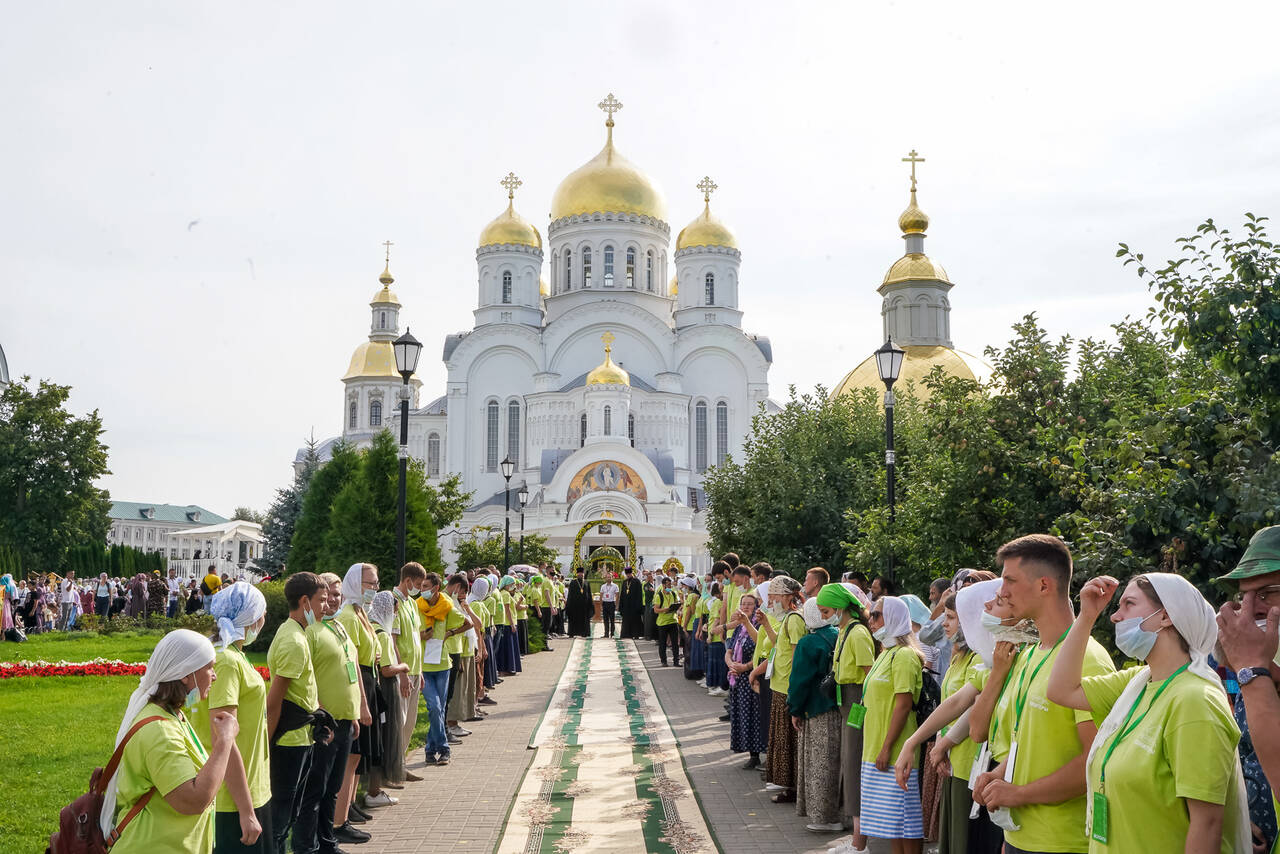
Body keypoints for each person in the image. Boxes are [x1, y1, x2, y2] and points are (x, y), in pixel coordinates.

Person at [1047, 571, 1247, 854]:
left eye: (1128, 604)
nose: (1115, 617)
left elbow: (1208, 825)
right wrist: (1086, 617)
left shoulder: (1195, 701)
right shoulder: (1139, 683)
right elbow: (1060, 690)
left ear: (1166, 617)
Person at [972, 534, 1116, 854]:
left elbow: (1096, 762)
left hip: (1062, 843)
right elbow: (1034, 744)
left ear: (1044, 586)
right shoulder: (1031, 654)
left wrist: (1019, 793)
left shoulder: (1086, 659)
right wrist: (997, 775)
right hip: (1019, 837)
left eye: (1010, 580)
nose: (1002, 591)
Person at [101, 629, 238, 854]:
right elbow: (193, 800)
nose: (214, 675)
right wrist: (224, 741)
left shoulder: (171, 716)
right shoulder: (160, 730)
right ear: (185, 674)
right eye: (209, 667)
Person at [1213, 525, 1280, 852]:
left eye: (1268, 591)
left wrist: (1253, 670)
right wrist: (1235, 818)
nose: (1251, 607)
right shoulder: (1252, 674)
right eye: (1243, 595)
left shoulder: (1253, 673)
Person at [192, 582, 271, 854]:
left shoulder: (235, 655)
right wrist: (246, 810)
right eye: (261, 613)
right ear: (248, 618)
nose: (264, 619)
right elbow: (222, 736)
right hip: (233, 799)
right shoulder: (226, 660)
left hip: (251, 789)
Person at [298, 571, 368, 851]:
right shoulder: (311, 631)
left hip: (345, 720)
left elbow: (352, 669)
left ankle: (327, 841)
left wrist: (356, 710)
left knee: (332, 788)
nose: (334, 600)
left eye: (338, 594)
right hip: (325, 723)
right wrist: (321, 712)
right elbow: (307, 677)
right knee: (316, 788)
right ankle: (307, 844)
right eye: (329, 595)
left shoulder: (338, 627)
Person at [264, 571, 324, 854]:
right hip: (290, 741)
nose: (325, 607)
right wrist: (265, 745)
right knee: (280, 816)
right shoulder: (293, 641)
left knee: (287, 814)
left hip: (301, 735)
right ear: (305, 601)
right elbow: (275, 702)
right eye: (321, 600)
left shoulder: (296, 633)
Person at [861, 596, 925, 853]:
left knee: (905, 820)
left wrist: (887, 748)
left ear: (896, 618)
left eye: (877, 615)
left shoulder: (905, 656)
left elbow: (903, 704)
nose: (871, 621)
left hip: (896, 750)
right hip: (875, 747)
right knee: (891, 824)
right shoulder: (886, 653)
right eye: (871, 616)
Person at [817, 582, 875, 851]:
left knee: (853, 766)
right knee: (848, 764)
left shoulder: (858, 633)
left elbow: (869, 675)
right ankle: (855, 838)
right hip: (846, 702)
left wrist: (863, 707)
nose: (823, 616)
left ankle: (859, 843)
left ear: (840, 608)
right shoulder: (845, 630)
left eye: (826, 611)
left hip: (856, 703)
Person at [334, 563, 386, 826]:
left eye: (376, 584)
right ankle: (341, 813)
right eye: (370, 584)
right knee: (352, 754)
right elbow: (350, 661)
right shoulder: (348, 616)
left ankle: (350, 804)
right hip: (359, 684)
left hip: (368, 678)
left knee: (358, 755)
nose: (374, 589)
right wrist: (361, 702)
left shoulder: (360, 612)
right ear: (355, 583)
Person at [791, 597, 843, 833]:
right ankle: (841, 813)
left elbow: (799, 681)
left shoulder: (808, 643)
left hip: (816, 708)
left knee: (819, 763)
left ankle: (822, 817)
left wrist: (795, 709)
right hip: (840, 706)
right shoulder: (839, 634)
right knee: (838, 761)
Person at [763, 574, 806, 804]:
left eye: (775, 596)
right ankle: (788, 784)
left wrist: (794, 688)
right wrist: (766, 625)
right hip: (779, 686)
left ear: (787, 597)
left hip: (788, 687)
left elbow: (797, 655)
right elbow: (779, 646)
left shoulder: (795, 620)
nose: (771, 601)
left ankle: (794, 787)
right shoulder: (787, 619)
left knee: (789, 739)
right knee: (782, 738)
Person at [366, 591, 408, 805]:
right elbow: (387, 669)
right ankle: (375, 789)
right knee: (386, 736)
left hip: (376, 689)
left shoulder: (371, 627)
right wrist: (404, 667)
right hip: (386, 689)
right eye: (394, 609)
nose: (396, 613)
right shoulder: (381, 632)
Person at [419, 571, 463, 766]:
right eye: (421, 587)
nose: (422, 591)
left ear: (436, 588)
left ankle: (430, 750)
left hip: (443, 665)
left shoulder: (447, 607)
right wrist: (421, 635)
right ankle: (444, 748)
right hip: (423, 666)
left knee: (438, 710)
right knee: (434, 707)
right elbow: (408, 632)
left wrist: (450, 633)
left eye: (425, 587)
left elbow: (468, 623)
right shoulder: (416, 606)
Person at [391, 563, 425, 783]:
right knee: (399, 722)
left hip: (414, 670)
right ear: (407, 581)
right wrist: (402, 672)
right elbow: (392, 641)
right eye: (418, 584)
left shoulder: (411, 604)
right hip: (402, 671)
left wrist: (419, 671)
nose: (420, 589)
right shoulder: (393, 603)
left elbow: (416, 637)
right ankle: (392, 768)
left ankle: (401, 764)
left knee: (410, 722)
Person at [728, 592, 767, 769]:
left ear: (757, 606)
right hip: (738, 678)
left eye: (750, 604)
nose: (745, 607)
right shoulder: (738, 627)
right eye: (743, 604)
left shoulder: (759, 625)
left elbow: (761, 650)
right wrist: (731, 664)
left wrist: (745, 667)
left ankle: (758, 753)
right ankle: (752, 754)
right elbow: (729, 650)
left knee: (755, 715)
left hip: (753, 676)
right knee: (743, 715)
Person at [654, 575, 681, 667]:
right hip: (662, 623)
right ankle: (664, 661)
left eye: (671, 585)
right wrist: (665, 610)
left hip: (673, 621)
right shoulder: (659, 596)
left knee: (675, 643)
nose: (670, 587)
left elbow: (678, 602)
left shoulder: (673, 593)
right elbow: (656, 610)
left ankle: (676, 661)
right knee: (662, 643)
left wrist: (676, 606)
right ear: (663, 585)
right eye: (668, 585)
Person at [566, 567, 593, 637]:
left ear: (584, 574)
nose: (581, 574)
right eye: (579, 573)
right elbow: (570, 595)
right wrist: (568, 605)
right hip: (575, 606)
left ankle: (584, 633)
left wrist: (591, 604)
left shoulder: (587, 582)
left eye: (582, 573)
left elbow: (589, 594)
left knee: (584, 620)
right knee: (574, 620)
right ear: (577, 574)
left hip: (585, 606)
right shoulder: (573, 582)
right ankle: (572, 633)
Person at [620, 567, 645, 639]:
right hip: (626, 606)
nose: (628, 575)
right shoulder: (625, 582)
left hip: (634, 606)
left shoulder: (637, 581)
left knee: (635, 621)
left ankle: (636, 634)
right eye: (627, 574)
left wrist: (638, 606)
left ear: (631, 573)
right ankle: (626, 634)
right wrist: (621, 606)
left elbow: (639, 595)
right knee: (626, 621)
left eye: (629, 574)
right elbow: (622, 594)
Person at [599, 573, 619, 639]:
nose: (608, 578)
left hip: (611, 603)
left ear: (612, 578)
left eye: (610, 577)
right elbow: (601, 596)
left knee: (612, 620)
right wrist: (601, 605)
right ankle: (606, 634)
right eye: (607, 577)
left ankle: (612, 634)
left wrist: (616, 604)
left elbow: (617, 596)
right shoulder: (603, 586)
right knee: (605, 620)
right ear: (605, 578)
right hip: (605, 603)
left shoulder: (615, 586)